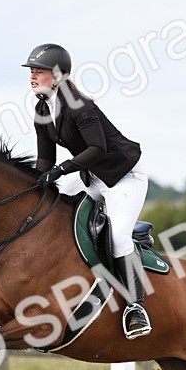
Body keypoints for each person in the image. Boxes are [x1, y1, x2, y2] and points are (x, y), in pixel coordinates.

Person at [23, 42, 152, 340]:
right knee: (49, 209)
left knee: (118, 236)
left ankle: (136, 307)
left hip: (123, 176)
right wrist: (36, 181)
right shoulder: (42, 108)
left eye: (38, 71)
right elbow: (45, 159)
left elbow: (98, 148)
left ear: (56, 76)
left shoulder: (80, 105)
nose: (32, 76)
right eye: (31, 71)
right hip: (90, 174)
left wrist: (61, 171)